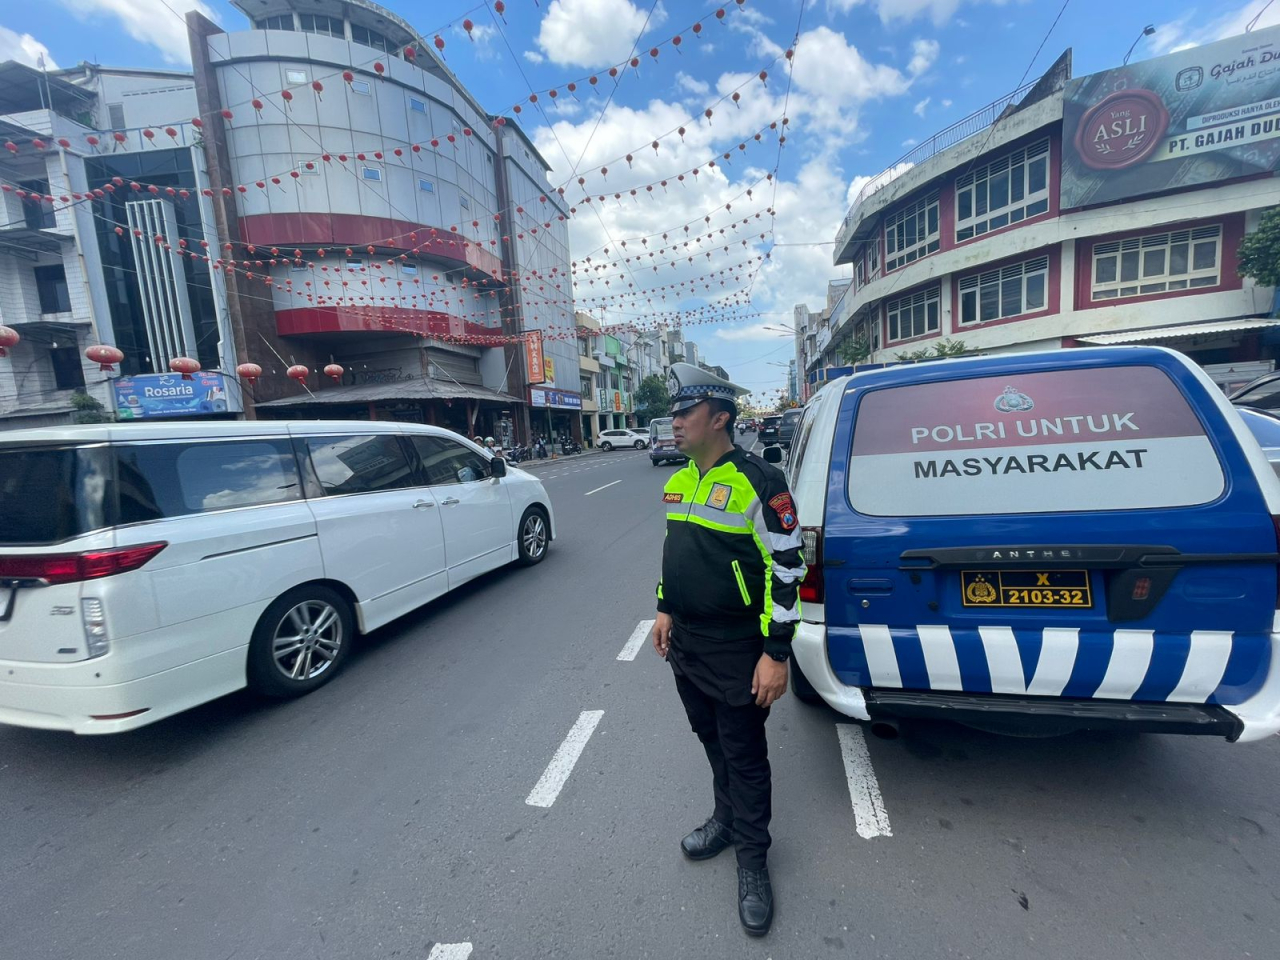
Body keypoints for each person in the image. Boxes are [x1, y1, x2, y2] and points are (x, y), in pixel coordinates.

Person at [651, 362, 804, 937]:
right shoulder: (682, 478)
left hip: (741, 649)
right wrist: (665, 605)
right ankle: (725, 820)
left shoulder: (762, 482)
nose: (674, 423)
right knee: (710, 739)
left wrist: (776, 653)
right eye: (673, 413)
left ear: (719, 418)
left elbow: (789, 569)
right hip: (687, 645)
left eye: (684, 412)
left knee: (744, 754)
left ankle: (753, 861)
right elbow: (675, 552)